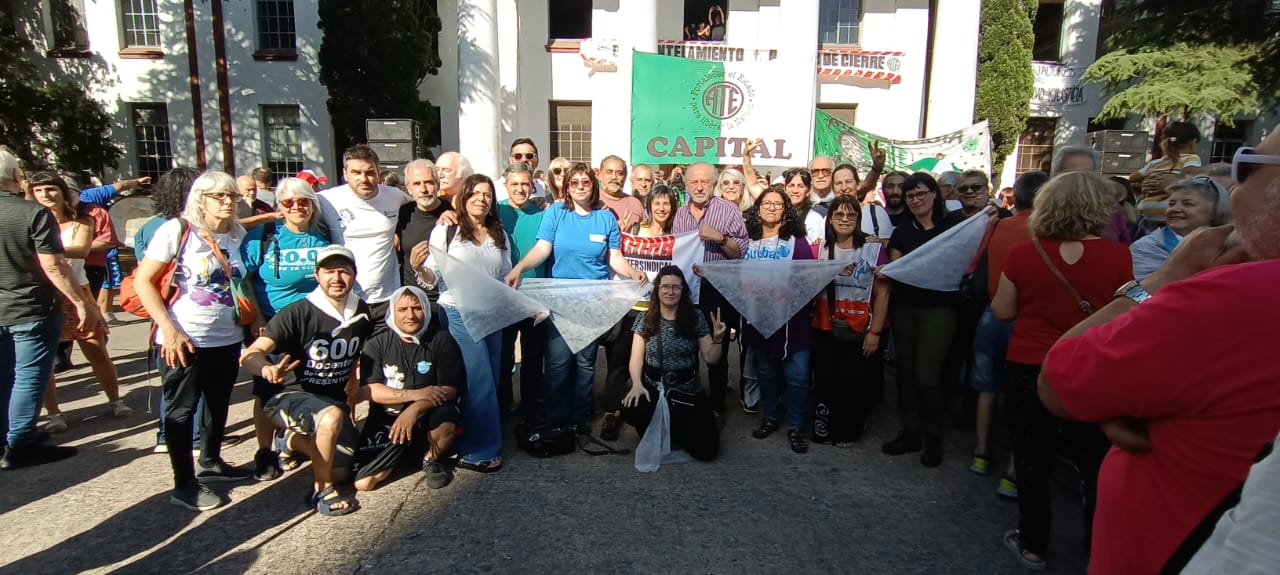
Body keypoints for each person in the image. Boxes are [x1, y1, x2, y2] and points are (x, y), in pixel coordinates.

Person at [1039, 128, 1280, 574]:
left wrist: (1169, 275)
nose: (1235, 186)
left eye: (1245, 167)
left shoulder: (1236, 292)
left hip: (1173, 549)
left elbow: (1059, 380)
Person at [991, 172, 1134, 571]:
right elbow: (1128, 313)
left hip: (1030, 367)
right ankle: (1095, 549)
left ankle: (1033, 544)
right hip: (1090, 367)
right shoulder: (1119, 256)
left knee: (1032, 460)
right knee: (1094, 463)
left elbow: (1003, 310)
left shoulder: (1024, 253)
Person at [134, 171, 259, 510]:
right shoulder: (177, 230)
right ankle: (184, 484)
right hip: (184, 337)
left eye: (232, 196)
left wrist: (254, 319)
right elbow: (144, 281)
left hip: (226, 336)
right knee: (182, 409)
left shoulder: (235, 234)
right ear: (200, 200)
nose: (228, 202)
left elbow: (240, 281)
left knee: (218, 402)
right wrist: (169, 330)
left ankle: (211, 461)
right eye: (219, 196)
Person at [505, 163, 647, 434]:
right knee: (558, 361)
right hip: (560, 301)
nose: (580, 187)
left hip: (593, 301)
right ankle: (556, 418)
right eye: (575, 182)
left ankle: (580, 418)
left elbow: (614, 258)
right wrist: (519, 268)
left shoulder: (605, 218)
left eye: (586, 182)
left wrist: (633, 273)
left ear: (594, 186)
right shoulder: (556, 213)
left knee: (585, 362)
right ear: (567, 187)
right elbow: (542, 248)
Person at [240, 245, 373, 515]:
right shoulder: (297, 312)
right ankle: (322, 490)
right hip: (287, 396)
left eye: (344, 271)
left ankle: (290, 441)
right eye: (329, 271)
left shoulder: (362, 312)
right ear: (317, 275)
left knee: (343, 471)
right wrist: (266, 369)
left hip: (330, 399)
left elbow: (355, 355)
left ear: (354, 275)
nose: (336, 278)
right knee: (331, 417)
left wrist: (352, 385)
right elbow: (250, 355)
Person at [1, 149, 100, 470]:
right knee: (28, 376)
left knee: (5, 375)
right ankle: (20, 443)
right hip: (31, 307)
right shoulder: (32, 213)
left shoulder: (32, 212)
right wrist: (81, 302)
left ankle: (8, 437)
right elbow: (54, 265)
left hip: (10, 307)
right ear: (16, 177)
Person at [414, 174, 509, 472]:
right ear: (463, 197)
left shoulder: (499, 233)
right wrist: (419, 268)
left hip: (492, 313)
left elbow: (505, 275)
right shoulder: (446, 231)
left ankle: (471, 435)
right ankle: (478, 451)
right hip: (459, 311)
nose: (482, 199)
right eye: (475, 193)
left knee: (491, 379)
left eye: (487, 194)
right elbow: (432, 276)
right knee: (479, 380)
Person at [26, 173, 130, 436]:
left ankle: (115, 401)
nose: (46, 195)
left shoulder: (81, 220)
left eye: (51, 189)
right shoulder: (29, 222)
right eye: (39, 191)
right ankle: (54, 413)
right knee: (45, 358)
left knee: (96, 349)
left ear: (63, 192)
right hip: (43, 293)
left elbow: (82, 249)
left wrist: (41, 249)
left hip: (78, 289)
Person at [240, 177, 331, 479]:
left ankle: (293, 442)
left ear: (312, 204)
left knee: (310, 386)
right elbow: (245, 278)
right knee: (267, 389)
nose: (296, 207)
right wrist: (256, 317)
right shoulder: (264, 236)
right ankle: (265, 451)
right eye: (288, 202)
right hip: (272, 322)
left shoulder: (323, 234)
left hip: (312, 324)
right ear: (279, 205)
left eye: (303, 201)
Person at [968, 171, 1049, 494]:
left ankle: (980, 453)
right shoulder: (1046, 231)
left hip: (992, 313)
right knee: (1022, 395)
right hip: (1028, 318)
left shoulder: (1000, 225)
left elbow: (979, 261)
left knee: (987, 388)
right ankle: (1014, 471)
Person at [880, 172, 966, 467]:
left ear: (934, 194)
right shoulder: (902, 233)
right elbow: (897, 269)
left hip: (940, 310)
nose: (916, 200)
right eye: (910, 196)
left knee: (927, 376)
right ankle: (911, 432)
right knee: (906, 372)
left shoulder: (952, 227)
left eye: (921, 193)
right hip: (905, 308)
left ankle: (934, 436)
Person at [353, 286, 464, 491]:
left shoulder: (441, 339)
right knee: (364, 483)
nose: (410, 315)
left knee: (447, 418)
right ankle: (407, 452)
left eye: (417, 308)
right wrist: (414, 395)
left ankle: (432, 459)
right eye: (402, 309)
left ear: (426, 310)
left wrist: (415, 408)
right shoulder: (377, 344)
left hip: (428, 414)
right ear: (392, 312)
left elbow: (450, 390)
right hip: (388, 419)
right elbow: (369, 390)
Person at [735, 186, 815, 454]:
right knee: (766, 372)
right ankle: (769, 417)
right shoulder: (749, 240)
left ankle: (795, 427)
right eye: (766, 203)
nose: (771, 208)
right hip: (758, 317)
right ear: (757, 209)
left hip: (793, 320)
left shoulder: (796, 241)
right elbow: (732, 271)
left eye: (777, 204)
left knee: (798, 376)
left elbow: (808, 276)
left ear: (786, 210)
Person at [599, 184, 680, 441]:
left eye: (666, 203)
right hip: (629, 307)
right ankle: (611, 412)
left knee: (651, 363)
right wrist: (621, 234)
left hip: (659, 311)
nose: (661, 208)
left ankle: (645, 410)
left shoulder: (678, 237)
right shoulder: (635, 231)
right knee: (618, 363)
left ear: (673, 207)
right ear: (649, 206)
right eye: (657, 203)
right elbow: (615, 257)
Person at [622, 266, 726, 460]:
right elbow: (636, 358)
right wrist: (636, 384)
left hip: (687, 391)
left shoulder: (696, 317)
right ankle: (667, 424)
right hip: (654, 389)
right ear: (657, 289)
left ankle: (675, 426)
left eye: (676, 287)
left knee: (707, 452)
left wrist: (718, 339)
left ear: (683, 290)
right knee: (631, 409)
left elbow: (711, 358)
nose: (670, 291)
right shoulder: (645, 318)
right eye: (665, 286)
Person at [133, 167, 203, 453]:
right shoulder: (182, 227)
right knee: (191, 378)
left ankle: (165, 434)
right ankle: (194, 438)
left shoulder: (148, 227)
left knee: (171, 379)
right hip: (181, 308)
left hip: (159, 305)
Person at [810, 195, 888, 447]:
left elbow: (883, 293)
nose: (845, 219)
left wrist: (875, 332)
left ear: (858, 219)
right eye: (839, 214)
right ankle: (823, 429)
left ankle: (848, 431)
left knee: (853, 381)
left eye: (851, 215)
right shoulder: (818, 250)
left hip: (859, 327)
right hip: (824, 325)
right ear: (830, 218)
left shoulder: (873, 250)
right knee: (825, 380)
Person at [671, 162, 747, 414]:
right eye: (694, 182)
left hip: (717, 291)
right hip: (687, 291)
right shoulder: (680, 214)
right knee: (687, 347)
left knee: (717, 349)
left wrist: (721, 239)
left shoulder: (728, 210)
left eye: (705, 181)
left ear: (714, 184)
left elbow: (740, 252)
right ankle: (689, 401)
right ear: (686, 185)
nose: (700, 187)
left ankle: (717, 407)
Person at [318, 144, 413, 325]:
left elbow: (423, 209)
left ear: (378, 173)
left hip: (387, 298)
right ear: (345, 174)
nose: (364, 179)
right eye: (356, 172)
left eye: (370, 172)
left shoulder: (394, 196)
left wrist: (446, 212)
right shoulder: (326, 200)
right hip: (345, 298)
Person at [495, 163, 548, 419]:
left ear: (533, 186)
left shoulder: (543, 213)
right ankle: (503, 407)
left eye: (525, 184)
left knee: (533, 357)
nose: (520, 189)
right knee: (504, 357)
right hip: (503, 295)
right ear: (506, 185)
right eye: (514, 184)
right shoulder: (495, 210)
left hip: (535, 296)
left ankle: (530, 408)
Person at [1129, 176, 1232, 281]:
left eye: (1187, 204)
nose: (1175, 209)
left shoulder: (1232, 245)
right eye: (1171, 204)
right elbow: (1144, 288)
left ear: (1214, 210)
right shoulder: (1145, 247)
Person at [395, 159, 452, 302]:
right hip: (414, 301)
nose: (423, 189)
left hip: (448, 300)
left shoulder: (453, 213)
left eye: (429, 182)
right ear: (408, 188)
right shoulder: (403, 214)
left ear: (438, 184)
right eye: (416, 183)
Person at [1130, 121, 1204, 230]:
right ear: (1193, 143)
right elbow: (1189, 177)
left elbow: (1132, 178)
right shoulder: (1191, 158)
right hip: (1167, 211)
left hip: (1146, 212)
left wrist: (1145, 184)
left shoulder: (1155, 163)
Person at [834, 163, 894, 244]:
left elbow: (890, 244)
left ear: (858, 185)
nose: (844, 187)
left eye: (848, 182)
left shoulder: (876, 212)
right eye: (838, 183)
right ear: (832, 188)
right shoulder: (828, 216)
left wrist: (879, 242)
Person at [778, 168, 824, 253]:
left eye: (800, 186)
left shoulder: (814, 218)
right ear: (785, 189)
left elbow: (816, 250)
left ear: (808, 191)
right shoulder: (777, 212)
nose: (795, 191)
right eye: (791, 185)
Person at [597, 155, 645, 232]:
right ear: (599, 175)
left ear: (625, 177)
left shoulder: (635, 204)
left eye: (619, 173)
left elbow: (644, 235)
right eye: (609, 172)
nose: (614, 177)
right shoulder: (591, 201)